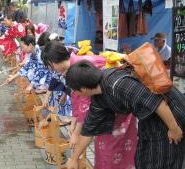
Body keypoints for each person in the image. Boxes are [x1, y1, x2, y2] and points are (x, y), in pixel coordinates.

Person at [65, 60, 185, 169]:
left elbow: (156, 102)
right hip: (149, 116)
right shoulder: (99, 96)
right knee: (143, 159)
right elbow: (89, 129)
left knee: (161, 161)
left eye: (74, 90)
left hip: (170, 113)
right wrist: (74, 159)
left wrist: (174, 129)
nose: (74, 93)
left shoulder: (117, 84)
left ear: (83, 89)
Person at [41, 41, 137, 169]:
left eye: (50, 66)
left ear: (53, 62)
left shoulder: (80, 66)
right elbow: (76, 97)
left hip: (117, 111)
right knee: (101, 146)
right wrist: (74, 121)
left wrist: (76, 134)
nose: (51, 69)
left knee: (114, 150)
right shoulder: (72, 68)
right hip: (102, 108)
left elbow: (85, 104)